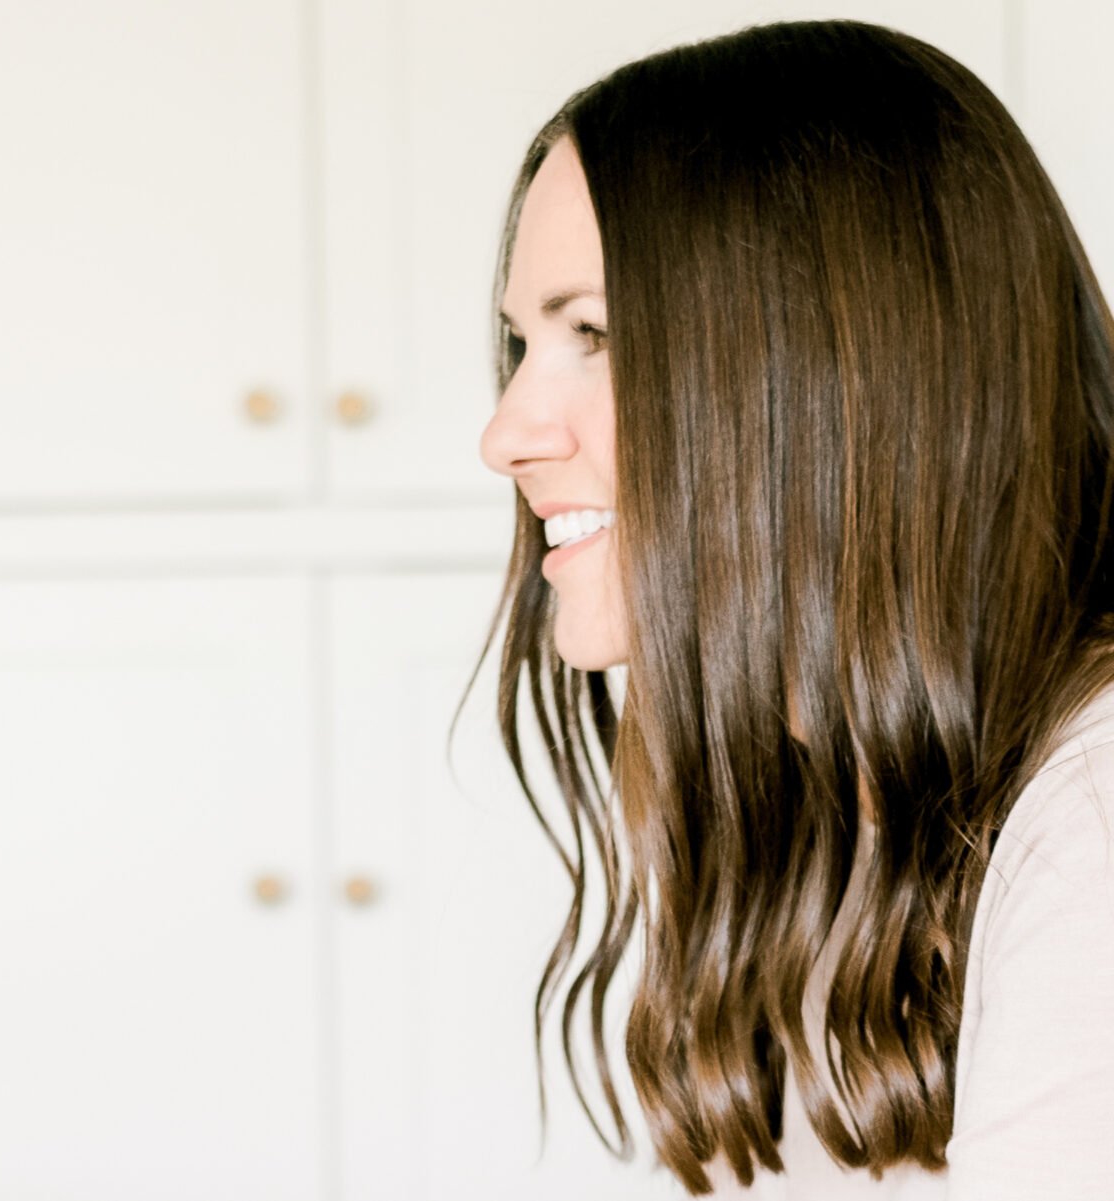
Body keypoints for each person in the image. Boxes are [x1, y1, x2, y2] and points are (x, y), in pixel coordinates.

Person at [464, 17, 1114, 1199]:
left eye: (594, 334)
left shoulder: (1096, 819)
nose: (506, 432)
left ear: (831, 372)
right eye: (522, 345)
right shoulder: (827, 817)